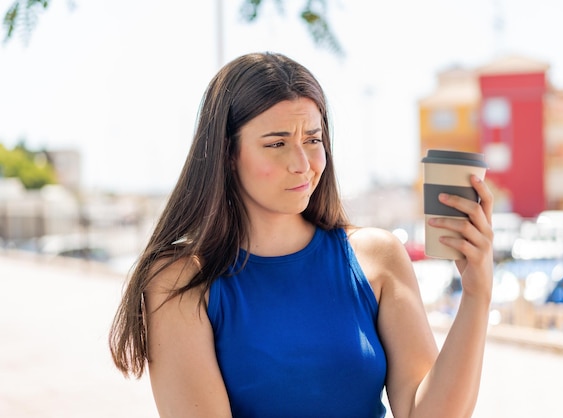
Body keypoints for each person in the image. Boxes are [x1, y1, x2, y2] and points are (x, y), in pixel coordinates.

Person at [109, 51, 494, 418]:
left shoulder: (377, 257)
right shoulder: (179, 281)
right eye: (277, 144)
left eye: (312, 140)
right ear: (227, 153)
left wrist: (477, 294)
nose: (302, 164)